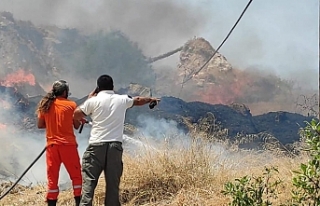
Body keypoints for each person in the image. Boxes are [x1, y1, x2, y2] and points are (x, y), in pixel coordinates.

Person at [73, 74, 160, 206]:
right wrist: (150, 99)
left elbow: (76, 114)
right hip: (115, 147)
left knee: (89, 183)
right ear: (112, 87)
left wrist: (89, 99)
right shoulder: (122, 99)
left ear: (97, 88)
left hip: (96, 146)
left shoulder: (93, 101)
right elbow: (137, 100)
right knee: (113, 186)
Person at [37, 80, 84, 206]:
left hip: (52, 147)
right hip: (68, 146)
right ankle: (79, 202)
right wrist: (78, 120)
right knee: (76, 176)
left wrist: (53, 123)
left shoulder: (45, 105)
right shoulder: (72, 105)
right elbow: (76, 125)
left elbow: (40, 125)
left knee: (52, 179)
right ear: (65, 92)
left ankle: (52, 203)